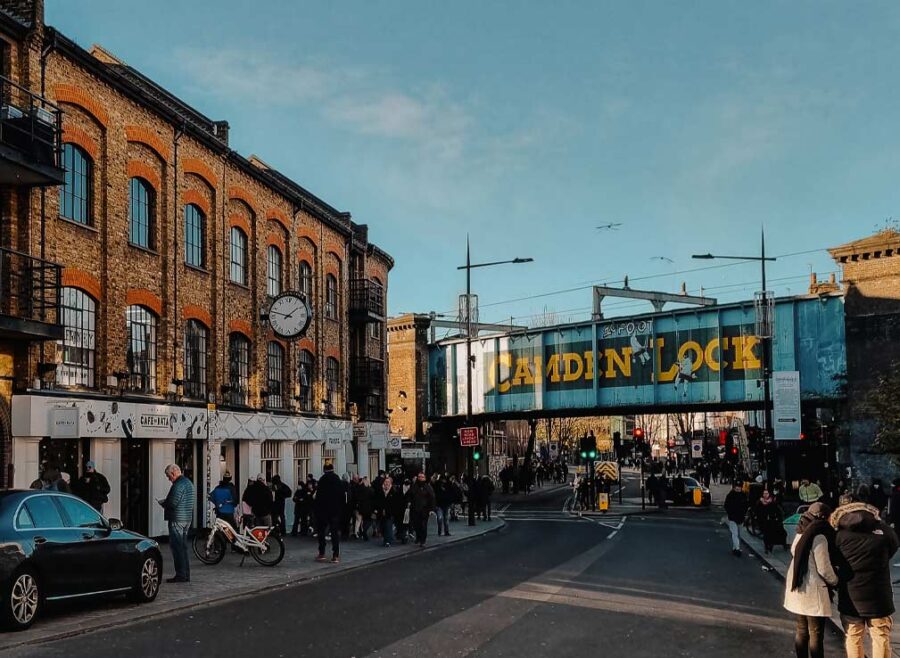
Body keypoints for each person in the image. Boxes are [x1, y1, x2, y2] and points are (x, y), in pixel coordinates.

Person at [831, 497, 899, 658]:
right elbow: (894, 546)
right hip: (879, 594)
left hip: (851, 595)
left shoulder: (840, 535)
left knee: (854, 637)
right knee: (881, 636)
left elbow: (833, 559)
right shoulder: (883, 530)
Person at [783, 502, 839, 658]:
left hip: (798, 586)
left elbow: (794, 552)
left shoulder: (801, 531)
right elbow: (824, 568)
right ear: (823, 517)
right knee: (815, 633)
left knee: (801, 630)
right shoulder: (819, 536)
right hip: (812, 589)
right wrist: (835, 581)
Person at [158, 464, 194, 584]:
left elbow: (173, 503)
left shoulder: (178, 485)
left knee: (177, 547)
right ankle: (185, 574)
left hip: (177, 519)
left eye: (168, 476)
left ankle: (181, 574)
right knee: (183, 547)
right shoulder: (188, 483)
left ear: (173, 473)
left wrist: (164, 503)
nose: (169, 479)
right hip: (187, 518)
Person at [314, 462, 345, 563]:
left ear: (324, 469)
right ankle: (335, 555)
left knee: (321, 532)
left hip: (323, 511)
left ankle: (322, 553)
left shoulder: (322, 480)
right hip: (335, 510)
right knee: (334, 533)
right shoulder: (337, 479)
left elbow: (318, 496)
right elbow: (342, 496)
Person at [756, 490, 787, 554]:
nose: (765, 495)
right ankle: (767, 547)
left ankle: (769, 546)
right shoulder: (760, 502)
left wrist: (778, 518)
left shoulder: (772, 502)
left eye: (767, 493)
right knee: (766, 534)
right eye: (764, 493)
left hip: (772, 520)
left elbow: (777, 511)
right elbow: (758, 511)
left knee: (771, 534)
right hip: (764, 521)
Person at [409, 471, 436, 547]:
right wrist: (408, 503)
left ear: (425, 478)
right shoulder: (414, 486)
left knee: (423, 525)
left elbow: (432, 498)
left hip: (424, 510)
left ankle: (422, 540)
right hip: (415, 509)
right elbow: (409, 496)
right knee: (416, 525)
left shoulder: (428, 487)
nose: (420, 478)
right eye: (419, 477)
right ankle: (418, 537)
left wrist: (431, 509)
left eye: (422, 477)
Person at [374, 476, 402, 546]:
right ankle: (387, 538)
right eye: (385, 482)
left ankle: (388, 541)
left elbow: (396, 503)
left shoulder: (394, 491)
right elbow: (376, 501)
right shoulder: (380, 491)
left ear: (390, 483)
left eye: (388, 482)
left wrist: (394, 511)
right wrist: (376, 509)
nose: (386, 483)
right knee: (382, 526)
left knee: (388, 526)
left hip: (390, 513)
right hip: (381, 512)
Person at [723, 481, 749, 557]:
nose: (738, 488)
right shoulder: (730, 495)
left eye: (739, 487)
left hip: (740, 517)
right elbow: (726, 505)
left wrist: (744, 514)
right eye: (736, 487)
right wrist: (730, 514)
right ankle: (737, 549)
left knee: (739, 534)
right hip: (733, 518)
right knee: (735, 533)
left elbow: (746, 505)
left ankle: (735, 547)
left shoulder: (744, 495)